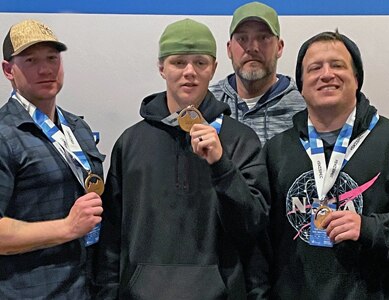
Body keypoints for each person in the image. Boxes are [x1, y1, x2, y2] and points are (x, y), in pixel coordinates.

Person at [94, 18, 268, 300]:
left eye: (200, 63)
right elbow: (112, 237)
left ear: (213, 68)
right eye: (178, 62)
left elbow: (253, 229)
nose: (190, 72)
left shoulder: (240, 140)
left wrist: (222, 166)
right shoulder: (130, 142)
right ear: (162, 68)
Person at [263, 29, 389, 299]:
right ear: (301, 85)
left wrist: (370, 228)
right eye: (315, 68)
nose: (327, 74)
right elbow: (261, 244)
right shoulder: (276, 150)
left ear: (357, 79)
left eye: (337, 65)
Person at [0, 19, 105, 299]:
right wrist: (68, 228)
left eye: (52, 58)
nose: (46, 69)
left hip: (85, 287)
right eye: (31, 60)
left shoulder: (77, 128)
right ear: (9, 70)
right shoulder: (3, 135)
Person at [210, 1, 305, 145]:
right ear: (229, 49)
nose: (252, 47)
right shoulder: (209, 103)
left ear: (279, 47)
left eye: (263, 38)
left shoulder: (303, 105)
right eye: (242, 38)